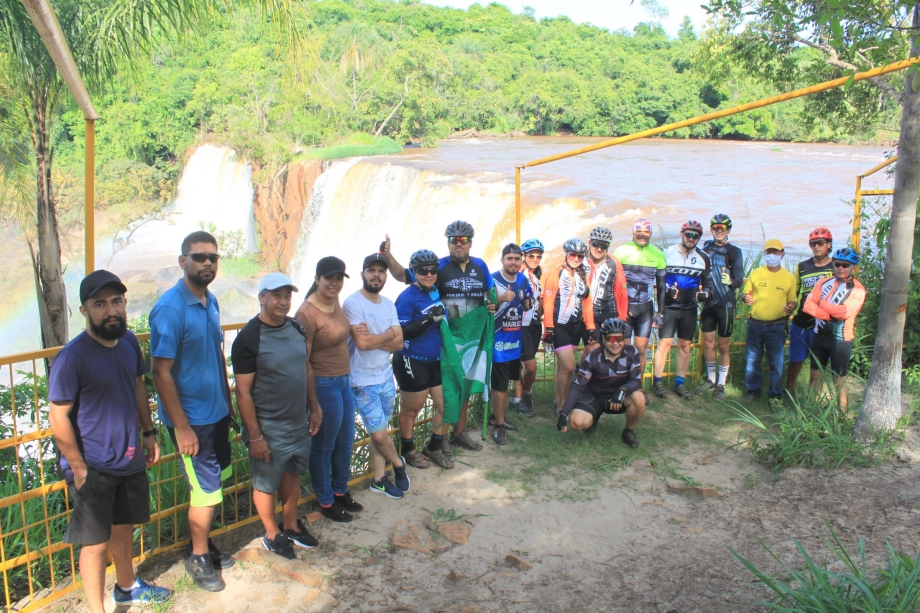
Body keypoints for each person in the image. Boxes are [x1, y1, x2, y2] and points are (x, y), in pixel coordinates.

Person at [49, 270, 172, 612]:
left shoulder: (129, 341)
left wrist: (148, 433)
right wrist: (77, 466)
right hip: (93, 465)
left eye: (116, 301)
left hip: (128, 456)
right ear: (84, 310)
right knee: (94, 541)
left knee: (123, 526)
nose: (110, 310)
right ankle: (96, 609)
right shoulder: (73, 357)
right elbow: (58, 416)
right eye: (99, 304)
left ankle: (127, 586)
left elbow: (137, 386)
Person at [150, 231, 235, 592]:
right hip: (192, 420)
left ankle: (202, 543)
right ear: (182, 261)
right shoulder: (170, 309)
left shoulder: (209, 300)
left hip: (215, 414)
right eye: (199, 257)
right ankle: (199, 557)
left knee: (217, 481)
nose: (207, 263)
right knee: (205, 491)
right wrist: (181, 428)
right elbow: (160, 371)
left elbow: (216, 354)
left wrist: (229, 404)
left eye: (212, 258)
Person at [384, 221, 500, 452]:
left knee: (463, 386)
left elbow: (491, 294)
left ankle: (459, 433)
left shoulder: (480, 265)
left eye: (463, 240)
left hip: (471, 336)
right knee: (450, 389)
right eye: (454, 240)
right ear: (447, 242)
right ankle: (441, 441)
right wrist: (387, 255)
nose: (459, 244)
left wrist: (494, 305)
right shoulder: (436, 266)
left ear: (470, 242)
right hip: (446, 337)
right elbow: (401, 276)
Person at [231, 273, 321, 559]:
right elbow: (243, 392)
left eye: (287, 296)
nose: (283, 301)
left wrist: (314, 407)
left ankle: (291, 525)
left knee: (293, 473)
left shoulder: (295, 327)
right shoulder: (248, 338)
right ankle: (272, 533)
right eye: (277, 295)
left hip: (297, 421)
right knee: (266, 482)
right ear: (262, 297)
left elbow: (305, 367)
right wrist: (255, 436)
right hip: (268, 427)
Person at [295, 257, 364, 523]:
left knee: (345, 440)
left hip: (343, 380)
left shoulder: (335, 302)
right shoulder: (306, 314)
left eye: (339, 278)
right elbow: (303, 360)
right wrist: (313, 403)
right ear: (317, 279)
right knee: (323, 445)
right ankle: (324, 500)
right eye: (329, 278)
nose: (334, 283)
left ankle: (339, 490)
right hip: (323, 384)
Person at [343, 254, 410, 497]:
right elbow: (361, 342)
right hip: (362, 380)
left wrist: (375, 338)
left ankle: (379, 479)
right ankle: (399, 464)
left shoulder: (389, 304)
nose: (376, 275)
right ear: (362, 274)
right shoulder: (353, 303)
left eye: (381, 271)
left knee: (378, 432)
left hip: (385, 376)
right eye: (371, 270)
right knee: (380, 433)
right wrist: (388, 334)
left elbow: (400, 343)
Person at [392, 250, 451, 469]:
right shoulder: (407, 297)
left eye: (432, 270)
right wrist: (428, 319)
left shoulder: (434, 292)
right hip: (411, 360)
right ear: (414, 272)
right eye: (422, 271)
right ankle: (408, 450)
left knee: (447, 406)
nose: (428, 274)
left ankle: (433, 448)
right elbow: (403, 332)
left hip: (434, 359)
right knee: (412, 409)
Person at [556, 318, 646, 448]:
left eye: (619, 339)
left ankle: (629, 431)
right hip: (595, 397)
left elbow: (636, 381)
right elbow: (578, 386)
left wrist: (622, 390)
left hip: (619, 398)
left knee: (639, 398)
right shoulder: (593, 356)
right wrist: (564, 412)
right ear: (603, 339)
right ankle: (593, 418)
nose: (615, 343)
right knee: (576, 423)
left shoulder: (631, 352)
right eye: (611, 339)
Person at [652, 221, 712, 399]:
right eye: (688, 234)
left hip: (689, 308)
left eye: (695, 236)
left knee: (685, 346)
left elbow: (708, 283)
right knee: (664, 345)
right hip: (669, 307)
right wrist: (668, 287)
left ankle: (680, 383)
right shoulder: (667, 253)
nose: (691, 238)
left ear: (699, 238)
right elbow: (658, 280)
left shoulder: (703, 257)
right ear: (681, 234)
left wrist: (705, 294)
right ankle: (658, 382)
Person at [803, 248, 866, 412]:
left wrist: (822, 304)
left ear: (853, 267)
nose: (840, 268)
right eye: (837, 264)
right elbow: (808, 306)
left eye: (845, 265)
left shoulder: (858, 289)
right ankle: (809, 413)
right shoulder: (823, 283)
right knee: (815, 375)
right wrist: (829, 315)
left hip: (841, 340)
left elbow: (844, 312)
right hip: (819, 337)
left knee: (839, 380)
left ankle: (842, 416)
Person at [542, 238, 596, 413]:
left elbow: (587, 304)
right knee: (568, 367)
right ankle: (564, 406)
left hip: (576, 326)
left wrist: (590, 327)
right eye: (573, 255)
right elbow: (548, 302)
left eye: (580, 256)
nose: (576, 259)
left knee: (561, 367)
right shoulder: (555, 274)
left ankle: (557, 400)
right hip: (559, 326)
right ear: (566, 254)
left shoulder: (583, 276)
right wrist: (548, 328)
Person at [489, 244, 534, 444]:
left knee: (506, 383)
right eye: (510, 259)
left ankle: (496, 416)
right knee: (498, 387)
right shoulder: (492, 280)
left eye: (517, 259)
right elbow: (485, 309)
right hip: (498, 343)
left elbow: (529, 298)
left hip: (514, 342)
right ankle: (499, 426)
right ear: (502, 260)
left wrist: (528, 303)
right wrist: (500, 299)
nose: (513, 262)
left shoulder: (523, 279)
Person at [742, 239, 797, 402]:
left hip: (777, 326)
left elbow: (792, 301)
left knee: (776, 363)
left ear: (782, 254)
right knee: (752, 360)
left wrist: (791, 307)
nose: (772, 255)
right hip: (755, 324)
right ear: (764, 253)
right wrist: (745, 297)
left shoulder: (789, 278)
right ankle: (752, 391)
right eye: (769, 252)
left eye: (775, 252)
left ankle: (774, 395)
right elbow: (746, 293)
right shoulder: (756, 273)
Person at [611, 219, 667, 382]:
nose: (643, 235)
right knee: (622, 349)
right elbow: (613, 284)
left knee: (641, 350)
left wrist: (660, 313)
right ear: (633, 232)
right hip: (624, 309)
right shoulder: (621, 251)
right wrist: (621, 307)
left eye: (646, 232)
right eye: (639, 231)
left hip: (645, 310)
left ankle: (636, 387)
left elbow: (662, 286)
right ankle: (619, 385)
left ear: (650, 234)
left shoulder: (658, 254)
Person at [697, 214, 745, 401]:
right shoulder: (706, 247)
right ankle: (710, 379)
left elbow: (740, 279)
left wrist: (731, 281)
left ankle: (721, 384)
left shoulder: (734, 251)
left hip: (726, 304)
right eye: (716, 227)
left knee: (723, 346)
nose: (719, 231)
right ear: (711, 229)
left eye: (723, 228)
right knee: (708, 343)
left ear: (728, 231)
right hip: (709, 303)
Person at [786, 227, 834, 397]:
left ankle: (812, 401)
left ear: (828, 244)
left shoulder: (837, 266)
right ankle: (788, 395)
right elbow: (795, 295)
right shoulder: (803, 266)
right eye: (812, 243)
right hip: (801, 322)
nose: (816, 246)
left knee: (817, 368)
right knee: (795, 362)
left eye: (820, 243)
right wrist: (788, 311)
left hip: (823, 325)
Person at [511, 238, 545, 416]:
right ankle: (525, 394)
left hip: (535, 324)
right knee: (530, 367)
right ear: (523, 255)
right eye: (531, 255)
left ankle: (520, 396)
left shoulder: (534, 274)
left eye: (538, 256)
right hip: (521, 324)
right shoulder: (519, 274)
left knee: (524, 365)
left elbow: (538, 299)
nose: (535, 258)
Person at [585, 226, 629, 346]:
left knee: (609, 349)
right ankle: (582, 365)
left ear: (608, 247)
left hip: (609, 312)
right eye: (595, 244)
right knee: (592, 348)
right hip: (587, 313)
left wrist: (622, 318)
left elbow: (621, 292)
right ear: (589, 243)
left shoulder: (614, 263)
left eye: (603, 246)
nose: (599, 248)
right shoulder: (580, 260)